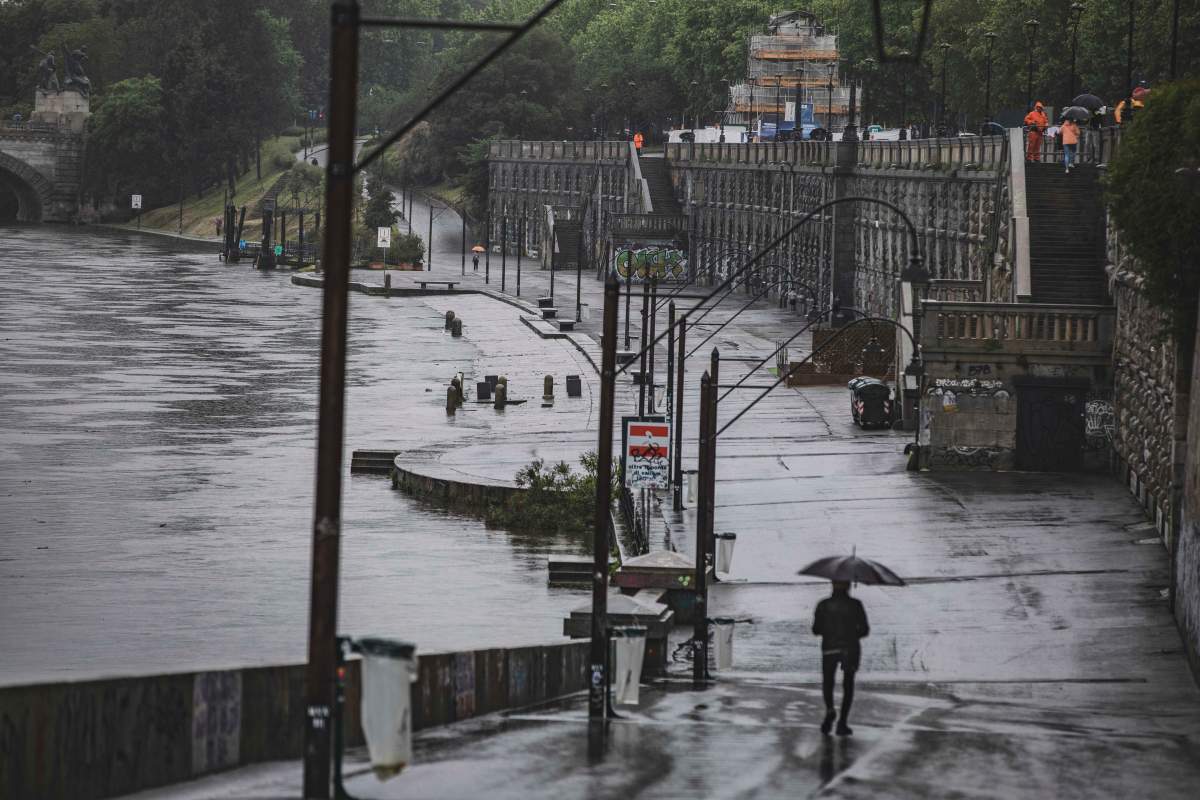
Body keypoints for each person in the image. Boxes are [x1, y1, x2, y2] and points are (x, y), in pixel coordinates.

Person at [812, 580, 869, 736]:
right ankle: (842, 723)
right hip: (850, 649)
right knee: (848, 685)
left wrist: (828, 631)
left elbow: (816, 630)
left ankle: (830, 709)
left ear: (832, 585)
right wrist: (850, 634)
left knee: (828, 682)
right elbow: (864, 630)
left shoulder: (823, 605)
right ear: (849, 586)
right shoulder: (856, 605)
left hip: (829, 648)